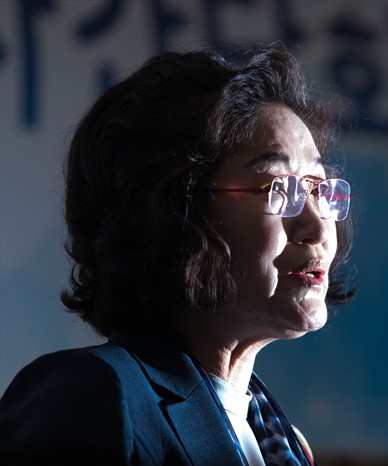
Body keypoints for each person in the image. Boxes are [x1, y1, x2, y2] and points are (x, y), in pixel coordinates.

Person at [0, 43, 354, 465]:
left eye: (318, 187)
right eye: (280, 188)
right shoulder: (90, 396)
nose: (318, 228)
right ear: (176, 209)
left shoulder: (283, 442)